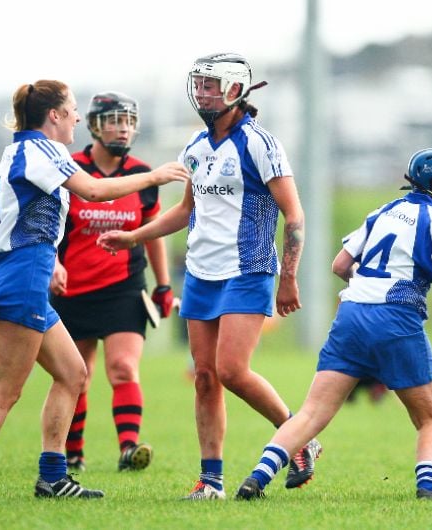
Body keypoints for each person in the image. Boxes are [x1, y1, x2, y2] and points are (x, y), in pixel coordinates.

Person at [234, 147, 432, 502]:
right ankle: (429, 488)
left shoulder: (384, 211)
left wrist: (369, 287)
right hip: (396, 317)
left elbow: (340, 265)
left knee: (311, 413)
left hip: (352, 313)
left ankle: (256, 478)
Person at [0, 80, 188, 500]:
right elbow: (94, 189)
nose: (76, 117)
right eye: (71, 109)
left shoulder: (26, 151)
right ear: (53, 115)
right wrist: (156, 175)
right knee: (4, 392)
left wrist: (52, 262)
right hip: (20, 278)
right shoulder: (40, 150)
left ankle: (53, 478)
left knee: (74, 374)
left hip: (26, 275)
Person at [97, 53, 320, 500]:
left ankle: (298, 435)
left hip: (248, 270)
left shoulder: (261, 144)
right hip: (201, 274)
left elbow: (294, 214)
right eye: (199, 85)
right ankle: (210, 481)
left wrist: (289, 277)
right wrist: (134, 236)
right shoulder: (195, 148)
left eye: (212, 85)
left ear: (236, 91)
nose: (202, 93)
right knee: (204, 377)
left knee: (232, 371)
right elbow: (184, 210)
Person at [50, 91, 174, 473]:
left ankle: (129, 448)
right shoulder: (68, 168)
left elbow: (153, 231)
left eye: (128, 121)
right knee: (77, 376)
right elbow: (47, 226)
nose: (123, 128)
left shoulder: (142, 174)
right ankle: (72, 454)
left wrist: (164, 285)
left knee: (122, 367)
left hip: (123, 287)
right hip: (72, 289)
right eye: (114, 121)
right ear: (94, 126)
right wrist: (52, 265)